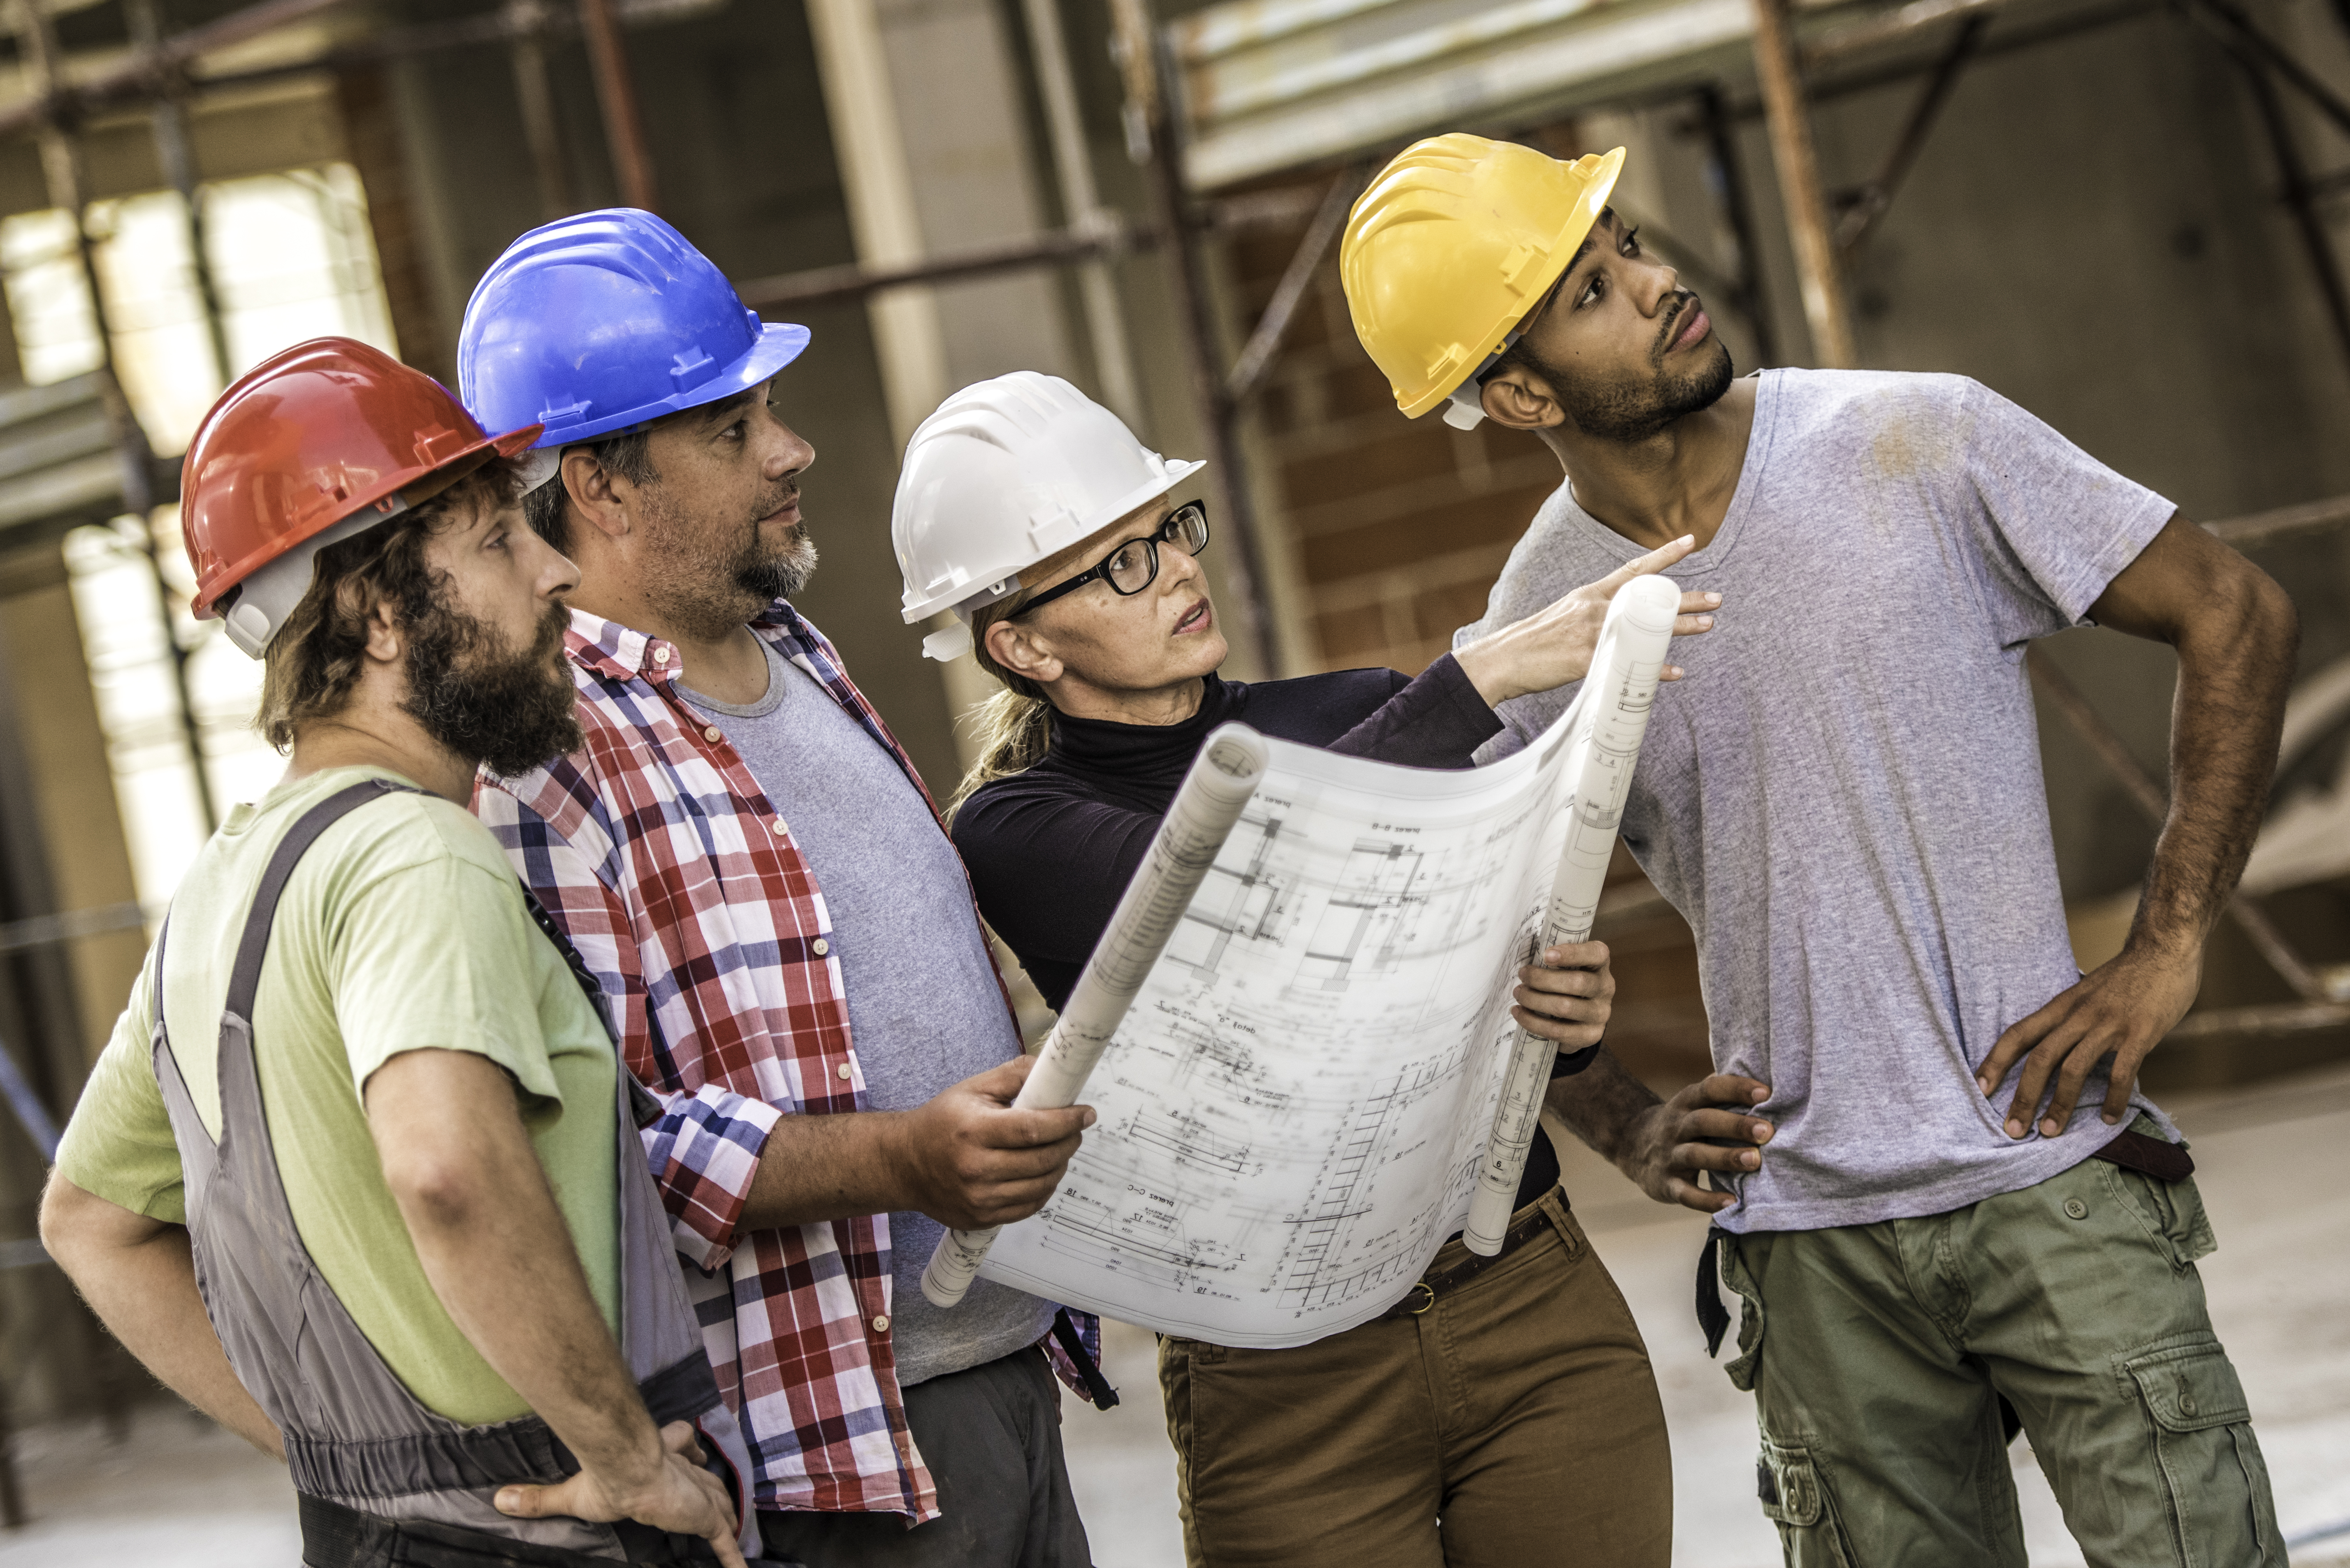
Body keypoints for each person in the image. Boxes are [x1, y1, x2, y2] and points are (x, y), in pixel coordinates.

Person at [1341, 133, 2295, 1564]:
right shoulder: (1540, 624)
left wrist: (2166, 948)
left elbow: (2235, 612)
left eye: (1634, 251)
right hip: (1808, 1252)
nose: (1660, 287)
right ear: (1522, 390)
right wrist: (1628, 1124)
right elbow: (1446, 921)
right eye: (1594, 290)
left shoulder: (1919, 439)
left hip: (2053, 1183)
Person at [919, 371, 1725, 1567]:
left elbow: (1471, 976)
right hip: (1279, 1377)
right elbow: (1217, 889)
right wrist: (1483, 678)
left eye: (1170, 532)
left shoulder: (1358, 708)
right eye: (1121, 562)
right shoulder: (1018, 825)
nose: (1181, 569)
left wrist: (1565, 1015)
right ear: (1020, 641)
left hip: (1522, 1299)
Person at [37, 338, 761, 1568]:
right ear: (378, 614)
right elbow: (447, 1169)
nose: (554, 572)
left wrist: (353, 1454)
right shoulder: (418, 858)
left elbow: (89, 1222)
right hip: (552, 1533)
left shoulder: (224, 885)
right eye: (495, 540)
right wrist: (629, 1464)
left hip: (375, 1532)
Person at [458, 210, 1102, 1566]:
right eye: (733, 428)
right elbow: (595, 1156)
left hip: (996, 1379)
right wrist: (900, 1158)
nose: (792, 449)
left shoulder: (797, 655)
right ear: (604, 487)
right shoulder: (544, 763)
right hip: (830, 1466)